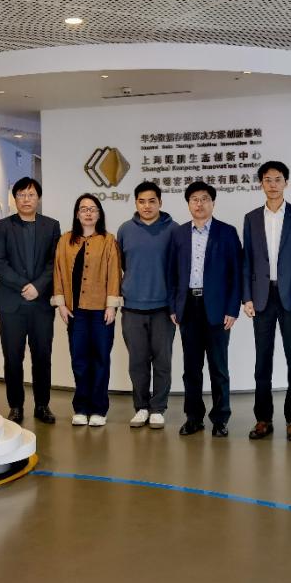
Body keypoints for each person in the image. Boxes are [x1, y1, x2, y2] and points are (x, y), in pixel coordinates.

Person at [242, 161, 291, 442]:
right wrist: (247, 297)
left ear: (286, 183)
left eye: (278, 179)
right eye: (267, 179)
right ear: (261, 183)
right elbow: (247, 260)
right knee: (262, 361)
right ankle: (263, 419)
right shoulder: (251, 218)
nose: (272, 184)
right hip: (262, 297)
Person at [169, 181, 242, 438]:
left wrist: (233, 308)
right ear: (188, 204)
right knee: (191, 368)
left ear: (212, 202)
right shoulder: (178, 234)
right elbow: (171, 273)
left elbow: (236, 273)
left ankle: (220, 419)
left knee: (218, 367)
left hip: (218, 309)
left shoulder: (227, 232)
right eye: (194, 200)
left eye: (204, 199)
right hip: (188, 307)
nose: (199, 204)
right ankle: (193, 418)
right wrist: (174, 306)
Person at [0, 177, 61, 425]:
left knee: (42, 357)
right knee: (13, 358)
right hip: (11, 304)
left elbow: (54, 262)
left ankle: (42, 405)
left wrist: (38, 287)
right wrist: (24, 286)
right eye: (21, 195)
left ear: (38, 198)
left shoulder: (51, 226)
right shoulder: (2, 227)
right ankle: (16, 406)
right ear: (15, 199)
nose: (26, 199)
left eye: (31, 195)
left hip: (41, 305)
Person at [52, 194, 122, 427]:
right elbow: (58, 272)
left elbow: (114, 273)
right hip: (75, 312)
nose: (88, 213)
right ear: (77, 214)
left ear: (99, 214)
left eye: (93, 209)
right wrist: (61, 304)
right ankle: (81, 408)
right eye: (83, 209)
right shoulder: (65, 240)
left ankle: (99, 409)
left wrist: (111, 305)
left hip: (101, 311)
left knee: (101, 359)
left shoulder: (108, 240)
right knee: (80, 360)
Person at [117, 181, 177, 429]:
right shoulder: (125, 230)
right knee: (137, 362)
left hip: (163, 309)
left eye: (152, 201)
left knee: (162, 362)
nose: (147, 206)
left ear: (160, 202)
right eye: (141, 201)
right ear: (136, 203)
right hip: (132, 308)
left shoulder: (174, 230)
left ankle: (158, 408)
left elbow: (178, 268)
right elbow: (122, 265)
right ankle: (141, 407)